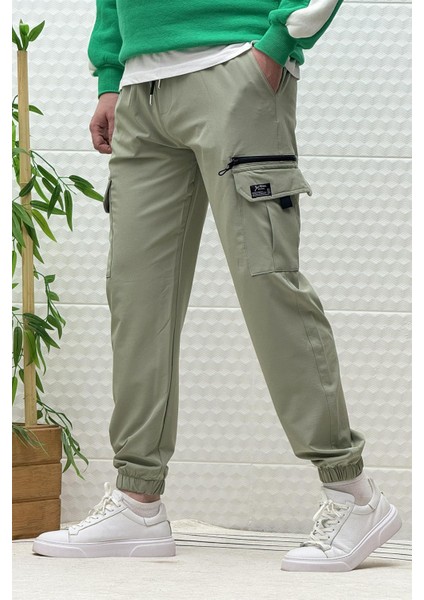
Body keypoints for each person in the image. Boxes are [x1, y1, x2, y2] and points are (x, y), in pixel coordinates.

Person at [33, 0, 402, 570]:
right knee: (136, 298)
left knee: (267, 285)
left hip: (235, 66)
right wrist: (110, 73)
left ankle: (353, 494)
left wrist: (279, 42)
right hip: (139, 90)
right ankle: (137, 500)